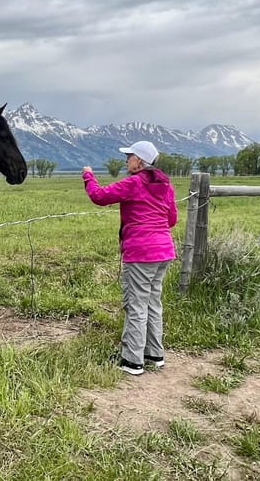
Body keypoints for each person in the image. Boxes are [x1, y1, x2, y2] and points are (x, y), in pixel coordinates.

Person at [82, 141, 178, 376]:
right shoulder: (166, 185)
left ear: (140, 162)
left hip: (141, 253)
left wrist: (88, 176)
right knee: (153, 303)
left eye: (130, 156)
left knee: (136, 305)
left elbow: (99, 196)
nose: (127, 160)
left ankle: (132, 360)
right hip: (164, 251)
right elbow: (172, 219)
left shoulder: (134, 183)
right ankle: (154, 354)